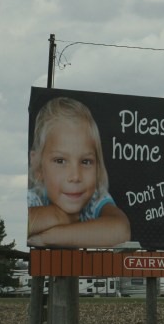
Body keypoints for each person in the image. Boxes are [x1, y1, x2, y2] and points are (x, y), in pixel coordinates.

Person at [27, 96, 130, 247]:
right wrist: (60, 216)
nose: (75, 176)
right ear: (38, 167)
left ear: (97, 166)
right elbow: (23, 224)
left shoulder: (94, 198)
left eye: (86, 161)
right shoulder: (34, 198)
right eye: (60, 161)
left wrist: (50, 237)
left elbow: (121, 231)